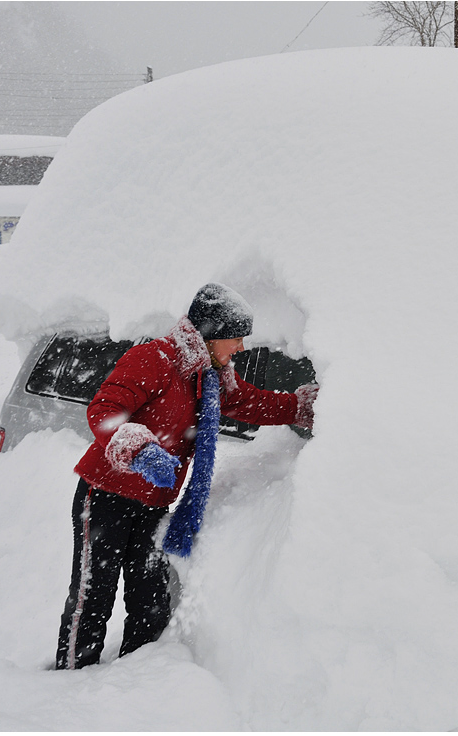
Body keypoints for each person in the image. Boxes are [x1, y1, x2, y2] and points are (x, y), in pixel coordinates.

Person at [55, 282, 318, 670]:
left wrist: (298, 407)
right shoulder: (154, 358)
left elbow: (249, 401)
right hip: (106, 493)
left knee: (150, 596)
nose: (240, 348)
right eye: (235, 338)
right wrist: (139, 448)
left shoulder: (209, 376)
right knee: (93, 591)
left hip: (155, 501)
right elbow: (106, 407)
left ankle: (136, 672)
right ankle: (71, 675)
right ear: (210, 334)